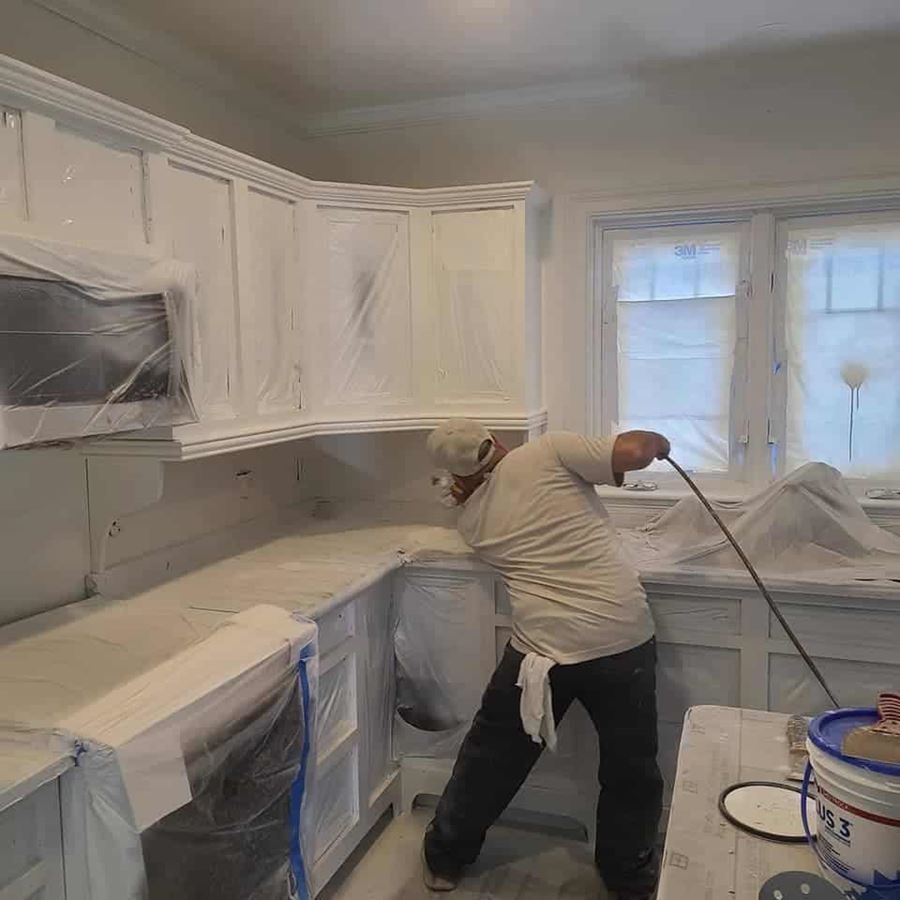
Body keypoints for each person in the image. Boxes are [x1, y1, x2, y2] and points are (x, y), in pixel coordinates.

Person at [422, 419, 670, 900]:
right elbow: (636, 451)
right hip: (620, 639)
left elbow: (496, 499)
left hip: (543, 650)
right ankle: (628, 877)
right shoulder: (548, 452)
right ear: (495, 442)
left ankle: (445, 858)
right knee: (630, 769)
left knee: (490, 760)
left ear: (457, 478)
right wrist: (658, 442)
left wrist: (470, 493)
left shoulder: (472, 523)